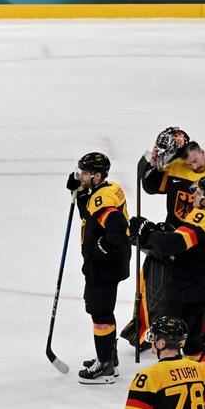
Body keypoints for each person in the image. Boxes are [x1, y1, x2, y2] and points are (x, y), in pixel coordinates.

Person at [123, 131, 205, 347]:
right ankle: (151, 330)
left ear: (203, 152)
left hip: (202, 244)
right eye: (189, 163)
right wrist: (153, 163)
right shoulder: (177, 166)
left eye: (196, 160)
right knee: (158, 286)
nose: (193, 166)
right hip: (173, 239)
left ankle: (201, 336)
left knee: (202, 294)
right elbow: (151, 186)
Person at [129, 175, 205, 357]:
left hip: (187, 289)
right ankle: (194, 370)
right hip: (204, 286)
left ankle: (171, 376)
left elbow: (169, 246)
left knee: (168, 337)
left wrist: (148, 231)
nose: (194, 196)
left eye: (199, 193)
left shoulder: (202, 218)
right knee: (193, 337)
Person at [68, 152, 131, 384]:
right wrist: (81, 190)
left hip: (105, 265)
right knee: (104, 310)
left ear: (97, 175)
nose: (80, 175)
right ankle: (108, 356)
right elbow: (90, 214)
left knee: (100, 313)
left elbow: (116, 224)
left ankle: (104, 366)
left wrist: (103, 247)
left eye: (84, 173)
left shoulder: (102, 199)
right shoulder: (108, 188)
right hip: (111, 262)